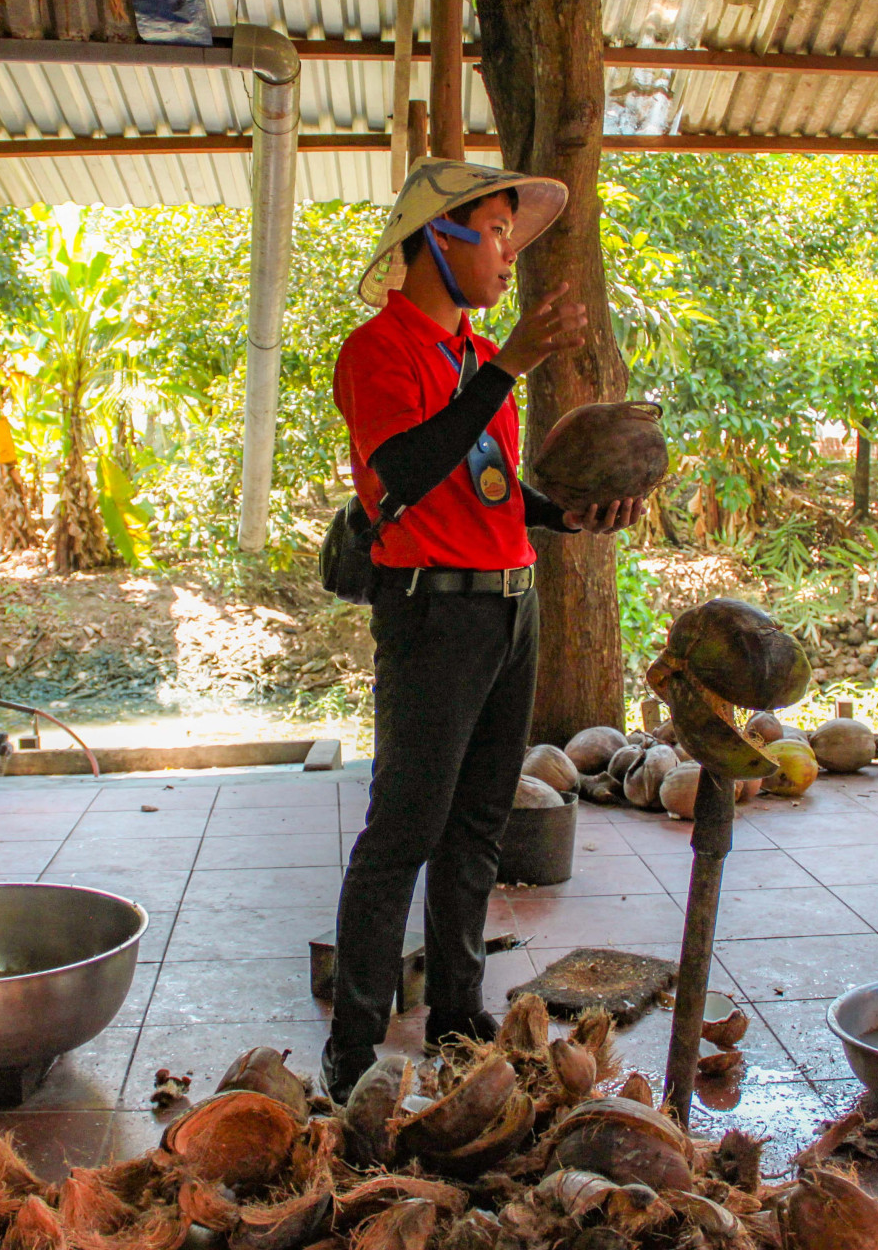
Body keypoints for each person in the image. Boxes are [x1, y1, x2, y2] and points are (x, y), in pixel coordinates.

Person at [323, 158, 645, 1102]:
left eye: (511, 234)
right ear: (439, 238)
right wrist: (508, 368)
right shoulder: (378, 351)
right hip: (435, 615)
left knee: (477, 827)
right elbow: (407, 472)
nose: (510, 257)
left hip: (510, 604)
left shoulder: (469, 359)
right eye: (497, 234)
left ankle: (459, 1016)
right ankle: (352, 1051)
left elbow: (486, 489)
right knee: (403, 833)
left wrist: (563, 515)